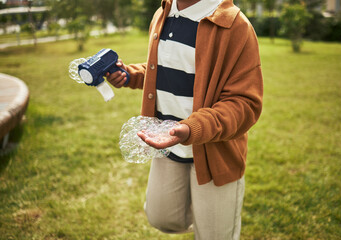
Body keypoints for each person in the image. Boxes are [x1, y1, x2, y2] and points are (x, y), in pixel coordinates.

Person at [106, 0, 263, 239]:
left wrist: (192, 128)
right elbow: (163, 69)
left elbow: (245, 104)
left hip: (215, 153)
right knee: (162, 218)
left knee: (215, 235)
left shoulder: (234, 24)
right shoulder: (164, 12)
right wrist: (130, 75)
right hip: (168, 145)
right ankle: (205, 219)